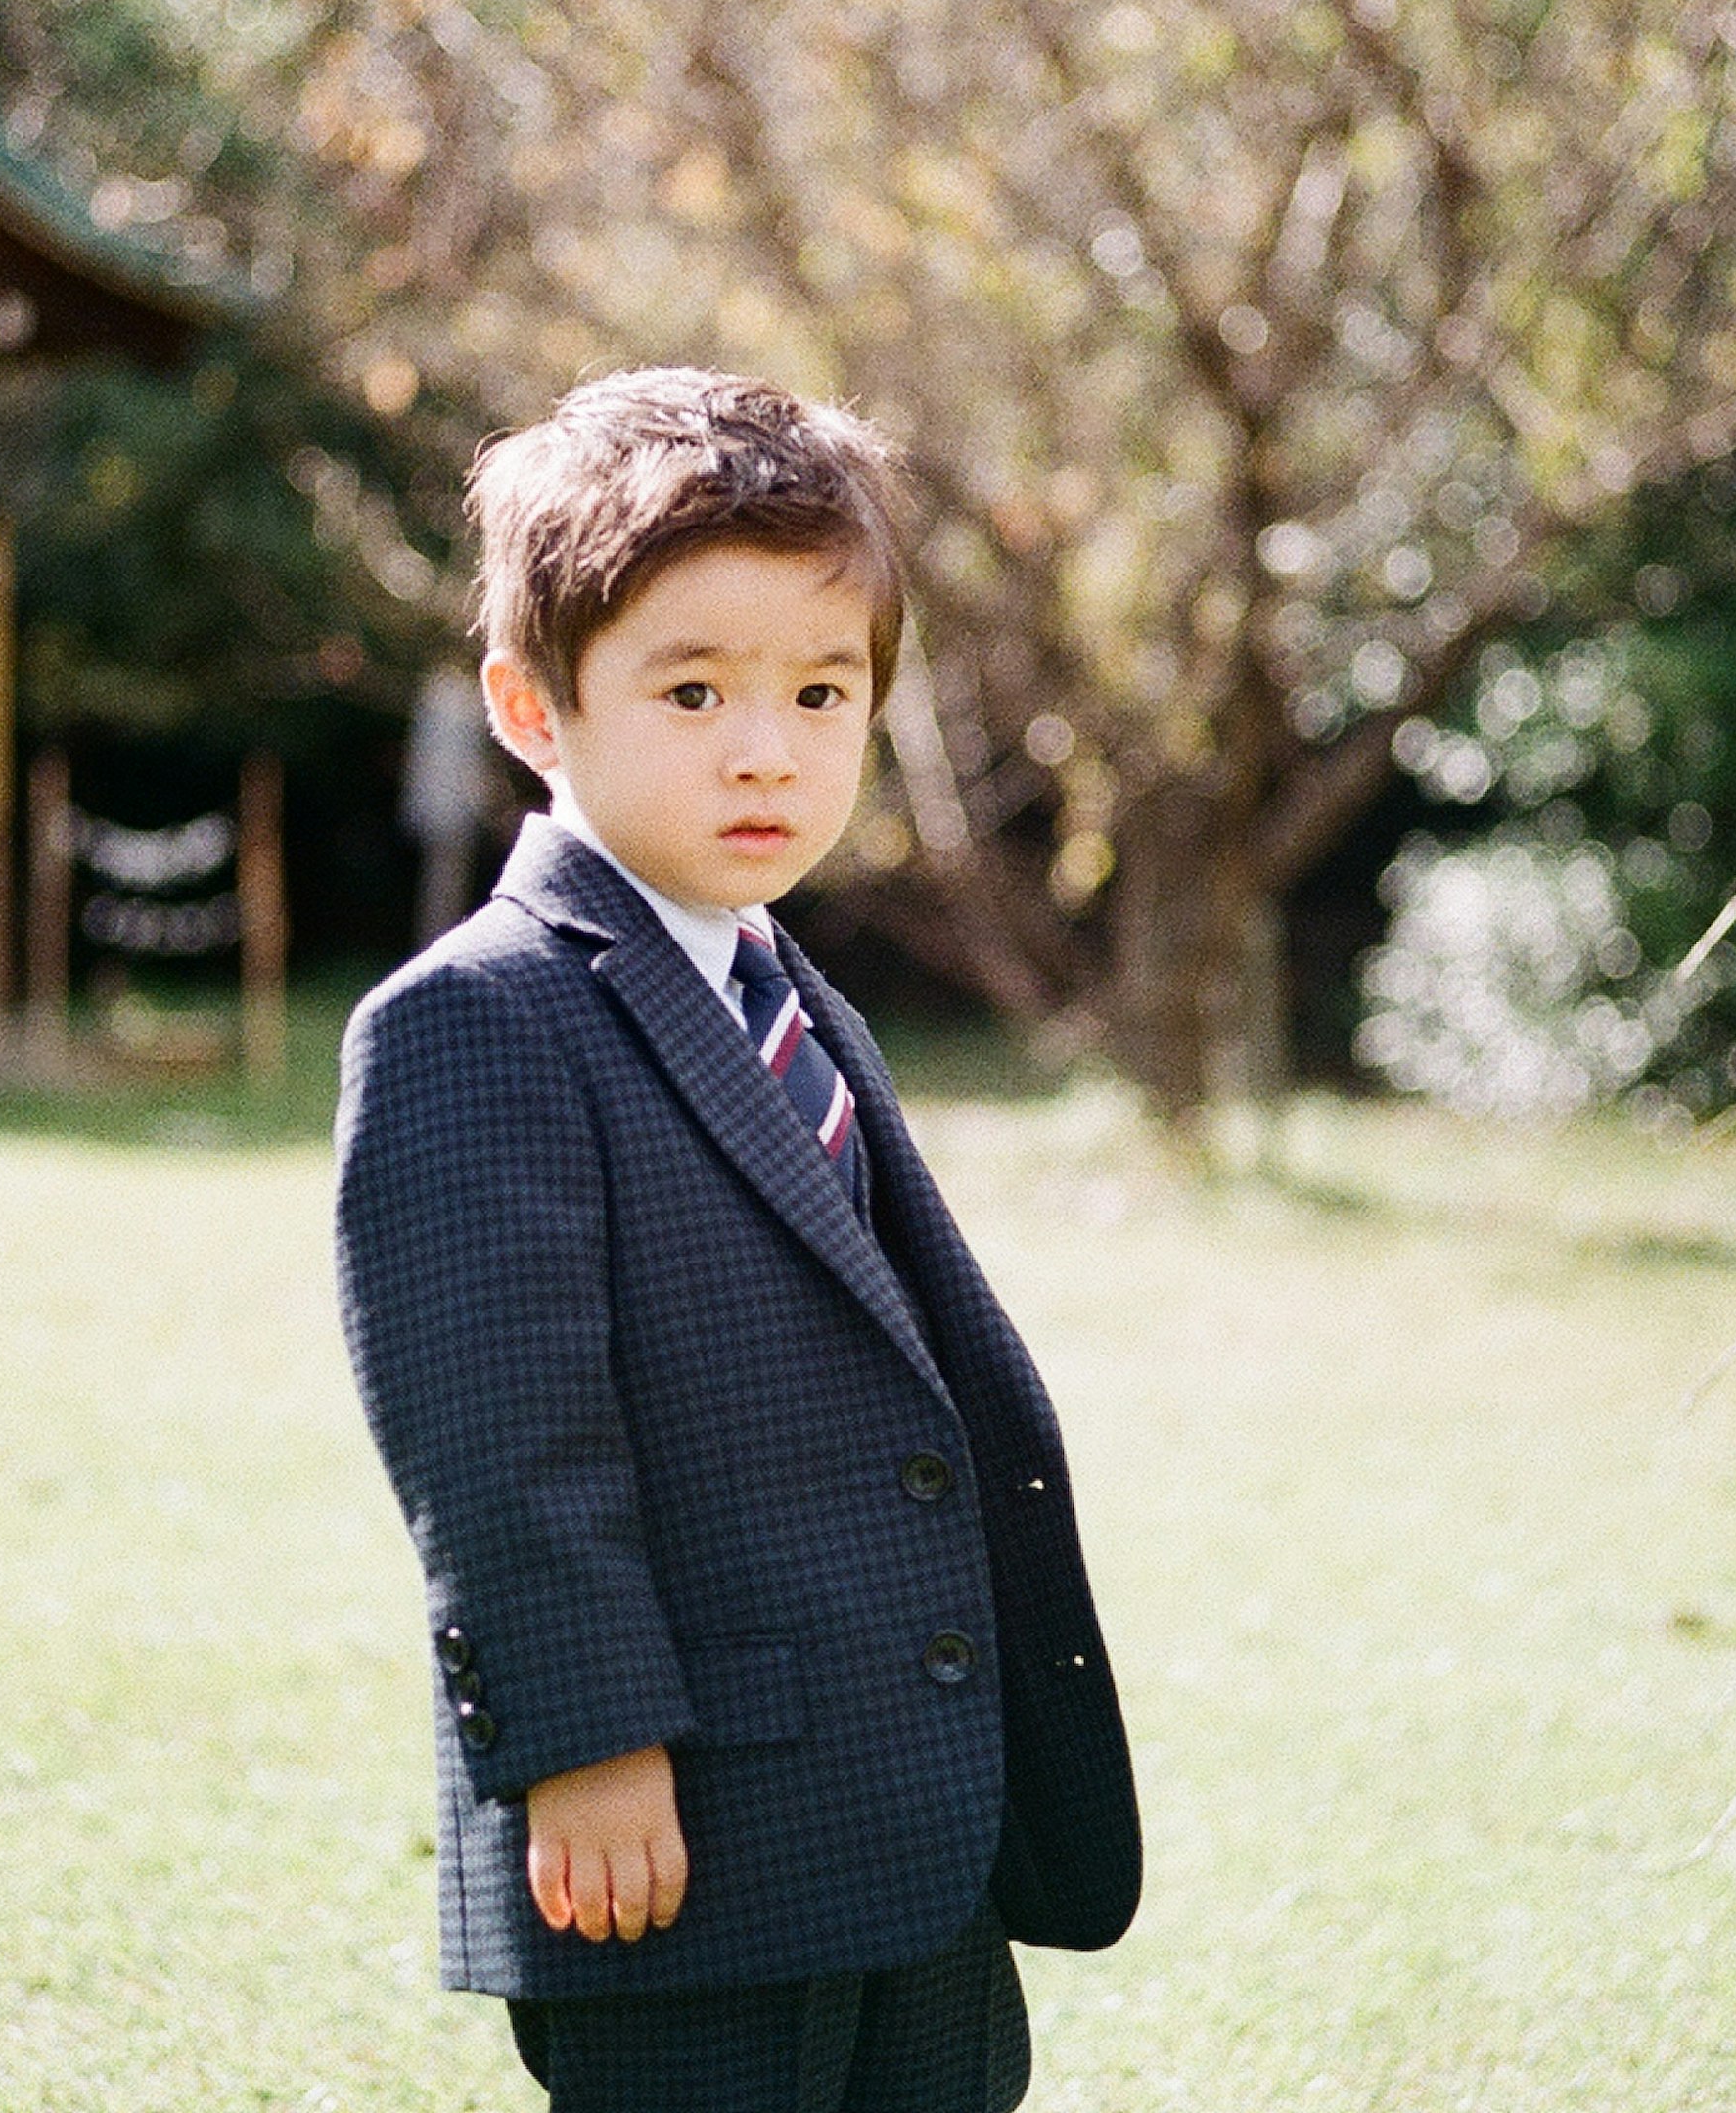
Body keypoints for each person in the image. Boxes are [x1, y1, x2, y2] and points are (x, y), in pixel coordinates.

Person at [332, 368, 1142, 2113]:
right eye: (690, 688)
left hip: (912, 1811)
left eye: (820, 690)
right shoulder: (479, 1019)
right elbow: (499, 1439)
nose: (765, 745)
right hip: (679, 1824)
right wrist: (585, 1742)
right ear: (534, 708)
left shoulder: (792, 995)